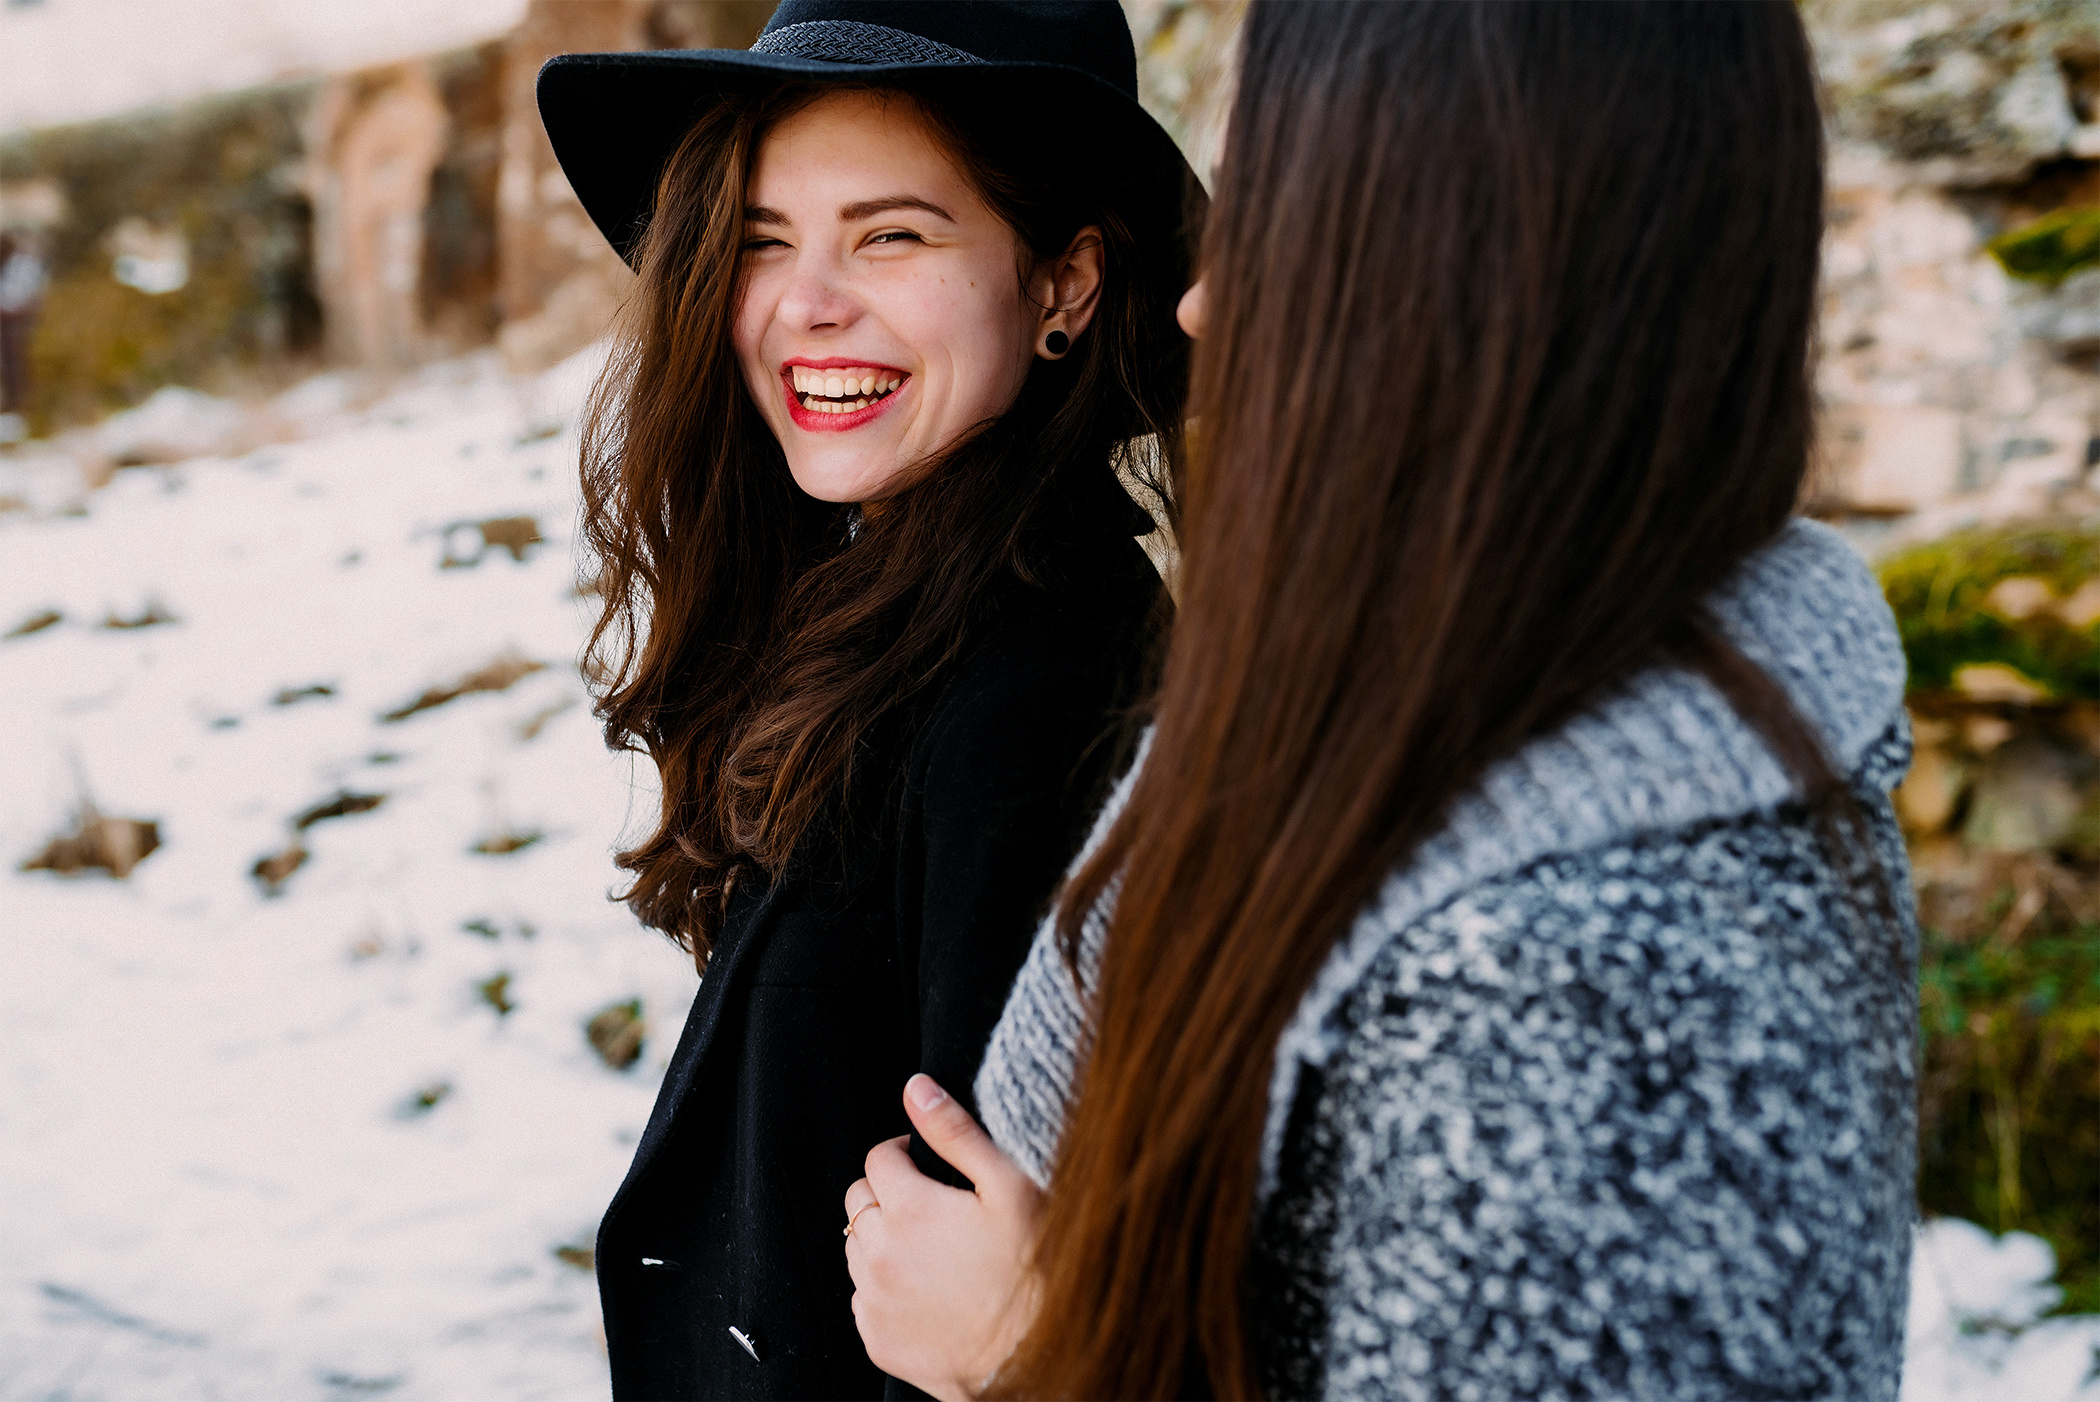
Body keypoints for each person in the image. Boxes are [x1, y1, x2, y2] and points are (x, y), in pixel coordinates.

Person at [842, 3, 1919, 1399]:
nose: (1204, 305)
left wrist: (1036, 1357)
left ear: (1467, 266)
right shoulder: (1438, 709)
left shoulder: (1575, 982)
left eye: (1279, 219)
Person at [534, 2, 1199, 1396]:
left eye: (892, 235)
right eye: (765, 239)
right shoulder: (884, 620)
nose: (804, 303)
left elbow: (1009, 1302)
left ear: (1067, 281)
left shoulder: (1046, 696)